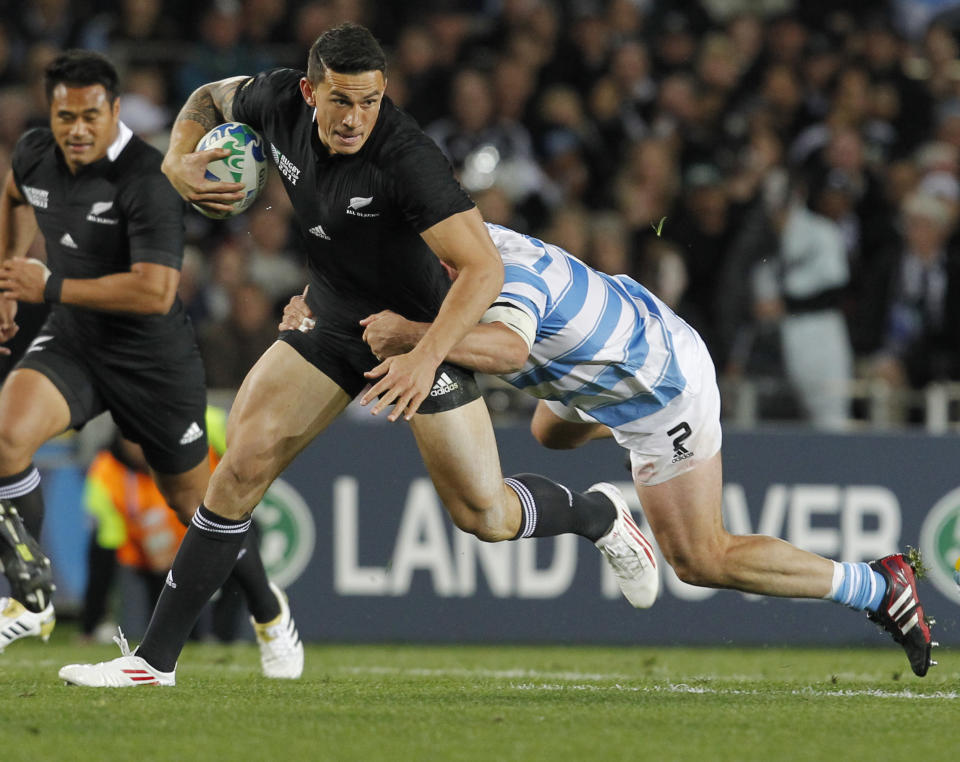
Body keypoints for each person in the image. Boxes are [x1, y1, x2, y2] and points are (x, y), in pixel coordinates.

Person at [58, 23, 657, 688]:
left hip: (419, 329)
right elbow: (210, 96)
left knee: (483, 514)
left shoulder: (407, 159)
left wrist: (426, 354)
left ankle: (598, 514)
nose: (355, 117)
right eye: (341, 101)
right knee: (238, 470)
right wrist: (175, 159)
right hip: (333, 314)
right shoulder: (278, 101)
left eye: (370, 101)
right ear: (310, 92)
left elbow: (482, 271)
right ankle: (154, 662)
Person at [283, 219, 938, 678]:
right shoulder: (453, 253)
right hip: (607, 349)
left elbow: (506, 349)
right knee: (547, 434)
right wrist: (312, 306)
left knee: (701, 559)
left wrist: (415, 336)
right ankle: (605, 503)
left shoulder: (510, 275)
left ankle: (878, 587)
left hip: (661, 386)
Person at [0, 50, 302, 679]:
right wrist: (8, 281)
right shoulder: (34, 155)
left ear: (113, 112)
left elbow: (155, 292)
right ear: (50, 113)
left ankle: (269, 607)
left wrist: (46, 284)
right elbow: (14, 194)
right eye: (65, 116)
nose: (77, 128)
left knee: (198, 506)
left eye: (90, 115)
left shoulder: (147, 180)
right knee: (5, 438)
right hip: (76, 341)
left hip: (152, 361)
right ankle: (29, 598)